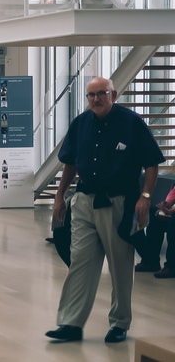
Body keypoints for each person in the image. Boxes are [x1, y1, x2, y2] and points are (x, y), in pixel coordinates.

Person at [45, 76, 164, 345]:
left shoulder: (132, 123)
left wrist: (145, 197)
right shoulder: (81, 123)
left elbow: (152, 163)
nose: (96, 99)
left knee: (120, 265)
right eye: (91, 95)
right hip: (85, 201)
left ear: (114, 94)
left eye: (101, 93)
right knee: (80, 263)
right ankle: (71, 323)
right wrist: (60, 194)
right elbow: (71, 163)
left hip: (118, 203)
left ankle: (119, 323)